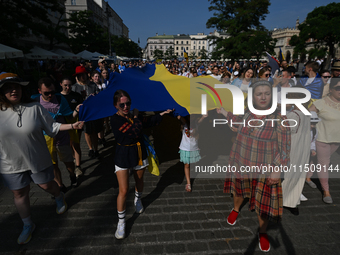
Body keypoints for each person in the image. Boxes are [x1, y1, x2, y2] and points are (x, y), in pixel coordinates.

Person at [0, 73, 83, 244]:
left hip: (36, 158)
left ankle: (59, 196)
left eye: (16, 86)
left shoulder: (34, 107)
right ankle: (27, 224)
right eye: (8, 88)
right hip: (9, 162)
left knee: (46, 185)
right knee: (19, 192)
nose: (13, 90)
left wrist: (72, 125)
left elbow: (52, 126)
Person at [217, 80, 290, 252]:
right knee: (239, 190)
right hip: (242, 160)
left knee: (262, 202)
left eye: (267, 93)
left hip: (264, 166)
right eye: (259, 94)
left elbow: (285, 148)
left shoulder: (279, 117)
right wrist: (222, 112)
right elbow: (235, 123)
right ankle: (236, 209)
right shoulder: (247, 111)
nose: (263, 97)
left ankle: (262, 232)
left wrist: (277, 169)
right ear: (252, 97)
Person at [110, 89, 173, 239]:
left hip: (138, 154)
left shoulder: (133, 116)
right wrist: (137, 116)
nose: (126, 107)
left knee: (139, 180)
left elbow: (148, 122)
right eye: (122, 105)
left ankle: (138, 199)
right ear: (115, 106)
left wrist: (162, 114)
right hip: (123, 156)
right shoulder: (115, 120)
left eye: (128, 104)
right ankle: (121, 222)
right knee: (124, 190)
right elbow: (133, 131)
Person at [32, 77, 81, 191]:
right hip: (45, 138)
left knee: (68, 161)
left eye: (52, 92)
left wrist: (76, 110)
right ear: (39, 91)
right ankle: (60, 185)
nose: (50, 95)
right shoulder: (35, 101)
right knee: (52, 164)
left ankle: (72, 175)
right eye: (46, 93)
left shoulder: (59, 98)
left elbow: (69, 115)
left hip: (62, 136)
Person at [308, 78, 340, 203]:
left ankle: (308, 177)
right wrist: (313, 124)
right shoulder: (320, 103)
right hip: (322, 139)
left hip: (336, 140)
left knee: (316, 159)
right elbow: (308, 114)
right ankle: (326, 191)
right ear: (330, 89)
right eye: (338, 88)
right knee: (324, 164)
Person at [281, 93, 311, 215]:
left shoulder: (294, 114)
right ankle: (292, 200)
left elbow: (285, 130)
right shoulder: (306, 113)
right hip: (303, 148)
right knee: (297, 175)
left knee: (288, 175)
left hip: (293, 148)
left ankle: (284, 200)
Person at [72, 66, 102, 159]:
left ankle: (96, 149)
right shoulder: (74, 87)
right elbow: (73, 101)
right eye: (80, 75)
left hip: (92, 112)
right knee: (86, 132)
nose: (83, 77)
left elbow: (99, 97)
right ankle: (90, 149)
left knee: (94, 132)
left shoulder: (93, 85)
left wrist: (95, 97)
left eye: (84, 74)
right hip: (81, 114)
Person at [60, 77, 84, 178]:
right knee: (68, 145)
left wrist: (82, 121)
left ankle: (78, 166)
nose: (68, 87)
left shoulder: (76, 96)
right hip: (62, 124)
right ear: (61, 84)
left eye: (69, 85)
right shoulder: (57, 97)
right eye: (65, 85)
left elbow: (82, 109)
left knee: (76, 144)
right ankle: (74, 159)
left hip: (75, 123)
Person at [177, 115, 206, 192]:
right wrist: (179, 116)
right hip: (185, 148)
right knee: (187, 165)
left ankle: (190, 175)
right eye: (189, 116)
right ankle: (188, 183)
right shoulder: (185, 124)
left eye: (193, 115)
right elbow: (181, 118)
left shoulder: (196, 123)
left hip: (194, 148)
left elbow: (202, 119)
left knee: (192, 164)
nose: (191, 117)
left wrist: (204, 115)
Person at [305, 111, 321, 189]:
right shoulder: (303, 130)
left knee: (309, 164)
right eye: (311, 123)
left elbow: (313, 141)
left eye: (314, 123)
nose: (313, 125)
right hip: (301, 151)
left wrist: (313, 149)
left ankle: (307, 178)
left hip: (309, 151)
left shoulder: (315, 131)